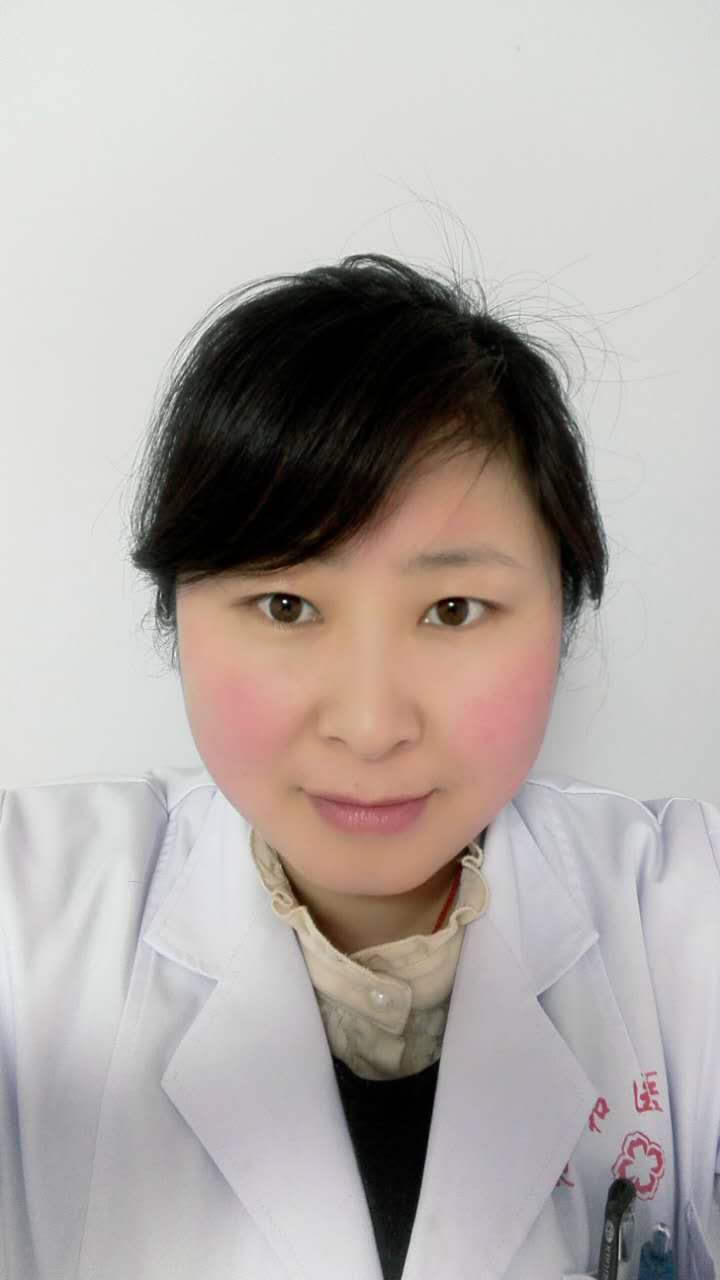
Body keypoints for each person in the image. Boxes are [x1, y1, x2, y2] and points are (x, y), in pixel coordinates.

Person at [0, 254, 718, 1280]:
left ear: (564, 612)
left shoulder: (686, 915)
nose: (372, 726)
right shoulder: (28, 918)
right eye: (286, 605)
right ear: (176, 615)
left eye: (453, 610)